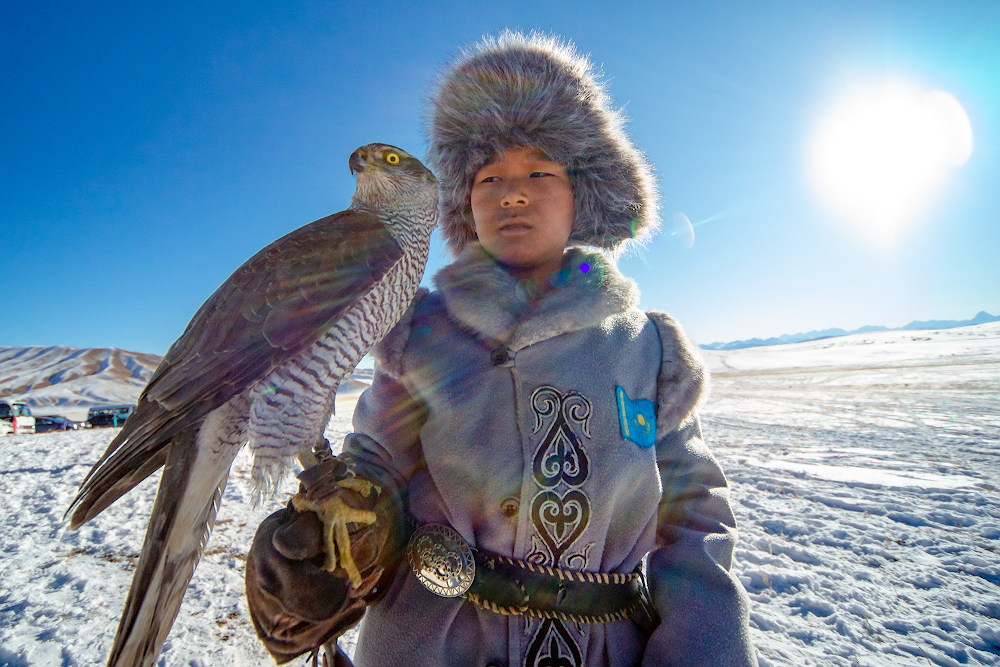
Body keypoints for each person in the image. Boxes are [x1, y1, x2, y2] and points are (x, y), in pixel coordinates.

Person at [246, 32, 758, 667]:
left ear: (585, 194)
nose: (512, 192)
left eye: (540, 170)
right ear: (466, 203)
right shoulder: (422, 333)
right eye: (490, 177)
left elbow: (697, 519)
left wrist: (700, 652)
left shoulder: (652, 351)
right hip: (429, 644)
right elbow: (375, 460)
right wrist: (331, 534)